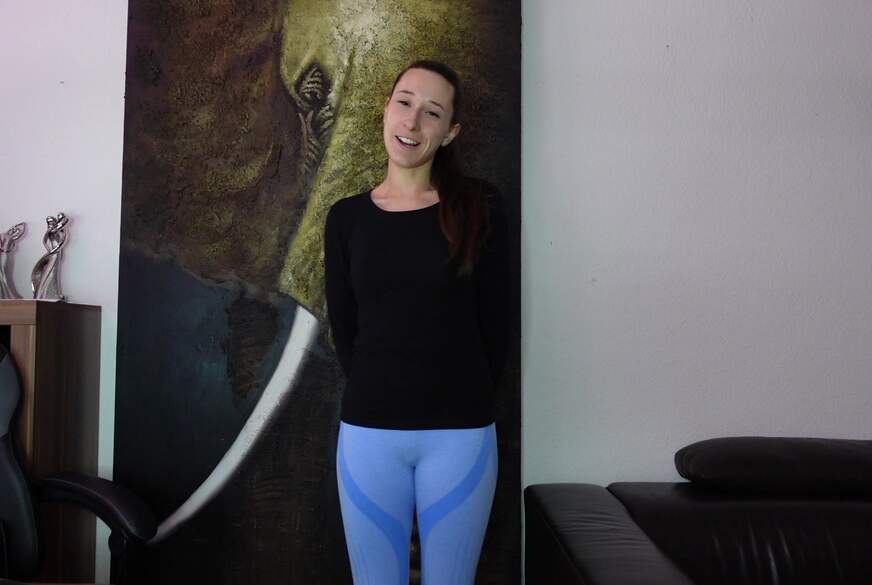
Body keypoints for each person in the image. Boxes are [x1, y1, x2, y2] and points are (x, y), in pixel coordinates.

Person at [323, 60, 510, 585]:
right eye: (404, 102)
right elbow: (345, 329)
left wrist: (462, 396)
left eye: (432, 112)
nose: (412, 121)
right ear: (386, 109)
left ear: (449, 132)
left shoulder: (481, 206)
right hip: (369, 435)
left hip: (460, 436)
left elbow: (497, 325)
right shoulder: (345, 218)